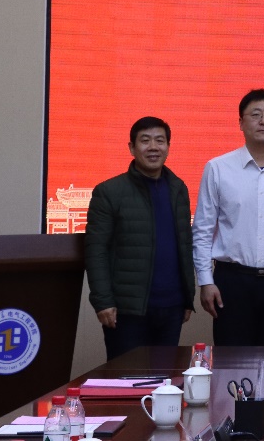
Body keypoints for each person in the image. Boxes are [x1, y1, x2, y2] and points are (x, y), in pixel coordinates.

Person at [192, 89, 264, 346]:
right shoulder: (218, 168)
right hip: (232, 281)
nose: (263, 121)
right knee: (231, 359)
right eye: (255, 115)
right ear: (241, 123)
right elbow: (203, 229)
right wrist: (205, 281)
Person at [84, 116, 195, 360]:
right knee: (127, 377)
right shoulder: (109, 191)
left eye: (160, 140)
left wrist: (188, 298)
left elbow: (185, 244)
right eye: (145, 141)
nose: (153, 147)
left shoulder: (178, 188)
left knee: (165, 378)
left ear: (168, 146)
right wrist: (103, 301)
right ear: (132, 148)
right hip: (127, 310)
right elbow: (95, 250)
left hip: (172, 307)